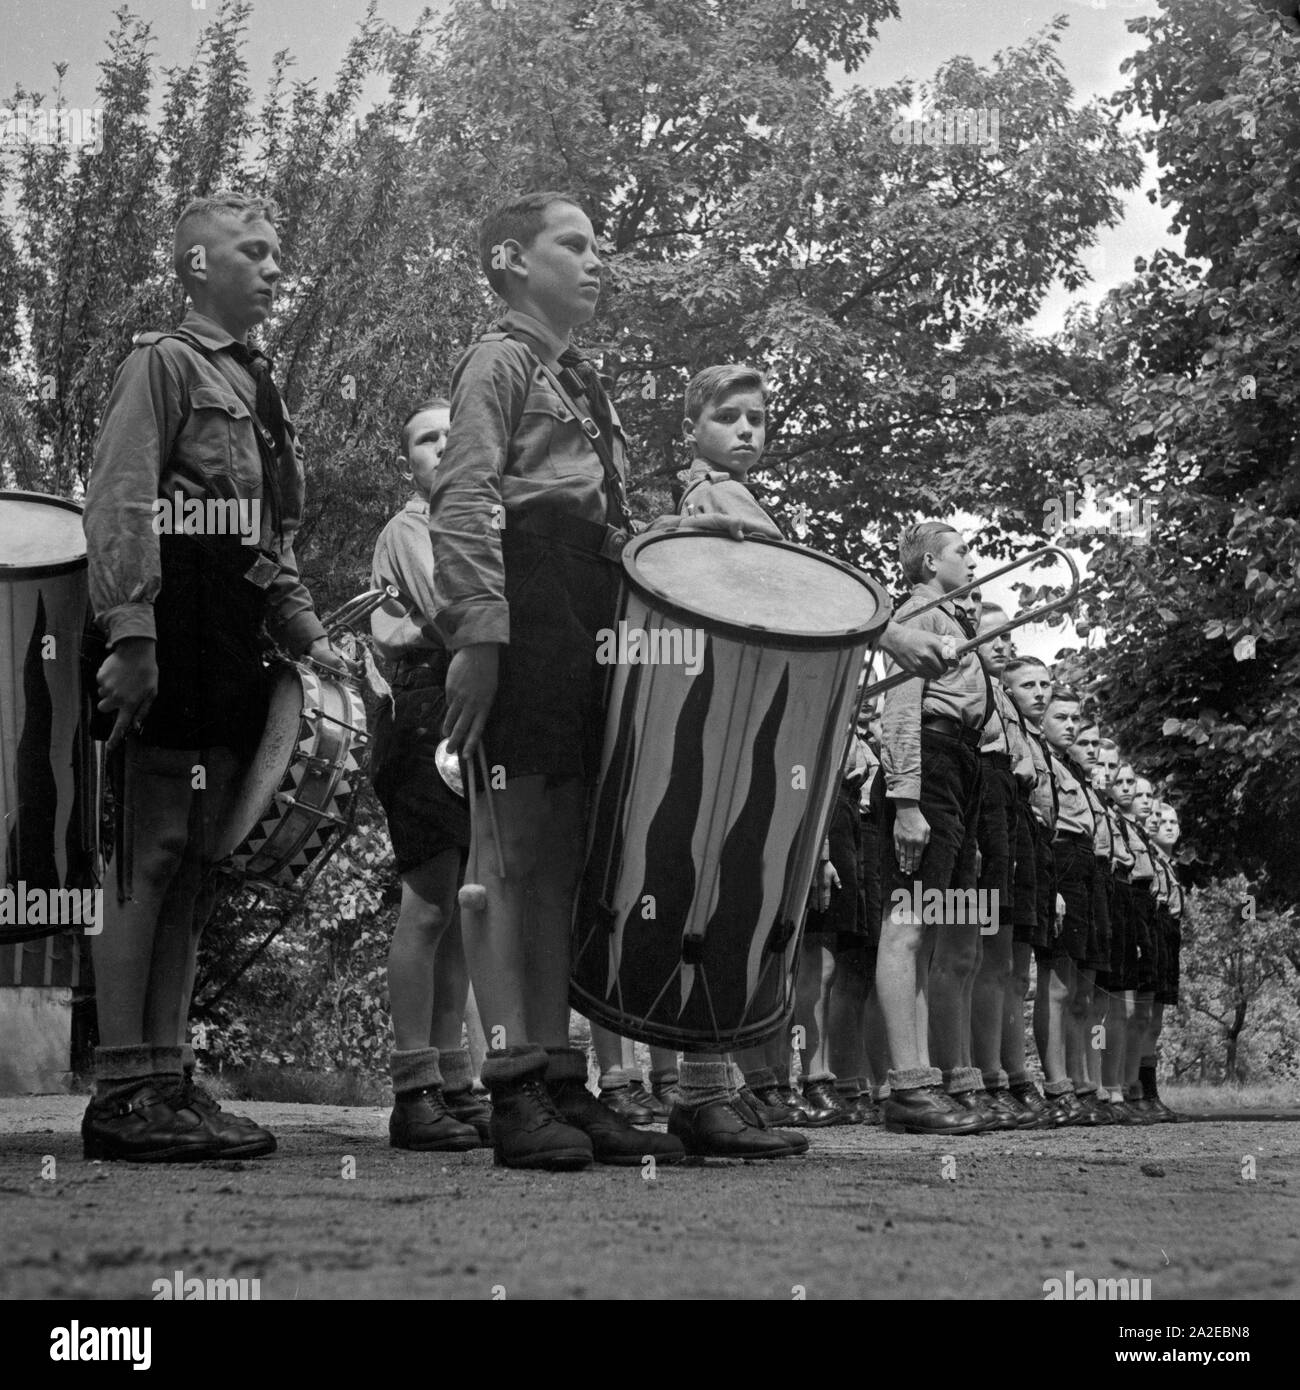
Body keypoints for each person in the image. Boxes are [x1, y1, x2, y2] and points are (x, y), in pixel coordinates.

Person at [82, 192, 346, 1160]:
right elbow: (119, 497)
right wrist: (131, 631)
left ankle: (165, 1077)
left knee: (196, 856)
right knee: (146, 850)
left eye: (280, 251)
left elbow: (268, 537)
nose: (275, 267)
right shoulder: (160, 364)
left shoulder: (261, 387)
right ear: (197, 264)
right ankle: (120, 1090)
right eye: (254, 250)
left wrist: (305, 629)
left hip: (234, 626)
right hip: (173, 618)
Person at [427, 190, 687, 1171]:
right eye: (571, 245)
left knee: (568, 856)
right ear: (509, 259)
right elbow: (464, 493)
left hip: (586, 598)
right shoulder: (497, 360)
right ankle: (511, 1089)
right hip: (525, 596)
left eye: (596, 245)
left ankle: (563, 1078)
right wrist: (479, 632)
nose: (594, 261)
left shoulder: (578, 377)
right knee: (510, 852)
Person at [369, 397, 491, 1150]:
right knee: (424, 905)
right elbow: (456, 613)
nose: (443, 447)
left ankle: (453, 1077)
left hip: (466, 714)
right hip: (421, 713)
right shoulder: (412, 529)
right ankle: (412, 1088)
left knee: (456, 911)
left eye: (454, 434)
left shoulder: (479, 527)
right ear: (407, 460)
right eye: (425, 439)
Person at [876, 522, 988, 1135]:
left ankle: (920, 1080)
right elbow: (898, 710)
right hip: (930, 764)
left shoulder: (950, 618)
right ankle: (907, 1088)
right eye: (961, 551)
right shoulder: (918, 615)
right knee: (907, 920)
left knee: (926, 930)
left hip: (956, 766)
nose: (971, 560)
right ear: (926, 564)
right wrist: (907, 801)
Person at [967, 603, 1039, 1127]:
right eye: (992, 637)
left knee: (1000, 961)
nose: (1004, 647)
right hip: (976, 800)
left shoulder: (1005, 703)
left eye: (1009, 640)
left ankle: (998, 1077)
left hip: (1006, 812)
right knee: (966, 954)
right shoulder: (965, 686)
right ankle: (974, 1076)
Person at [1038, 689, 1104, 1126]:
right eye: (1060, 716)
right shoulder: (1039, 758)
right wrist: (1052, 883)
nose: (1071, 725)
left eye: (1074, 717)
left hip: (1080, 863)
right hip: (1057, 856)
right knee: (1056, 983)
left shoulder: (1072, 771)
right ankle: (1057, 1085)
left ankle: (1080, 1084)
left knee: (1077, 987)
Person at [998, 657, 1056, 1124]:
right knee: (989, 963)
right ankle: (995, 1077)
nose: (1039, 692)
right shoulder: (995, 714)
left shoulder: (1035, 738)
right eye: (1028, 685)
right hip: (998, 828)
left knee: (1017, 974)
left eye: (1045, 684)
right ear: (1006, 689)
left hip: (1029, 840)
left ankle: (1015, 1077)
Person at [1144, 800, 1184, 1122]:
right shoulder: (1147, 858)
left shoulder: (1170, 865)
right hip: (1152, 926)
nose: (1168, 826)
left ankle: (1149, 1091)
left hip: (1169, 932)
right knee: (1141, 1014)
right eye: (1161, 820)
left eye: (1173, 822)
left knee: (1155, 1018)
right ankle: (1137, 1090)